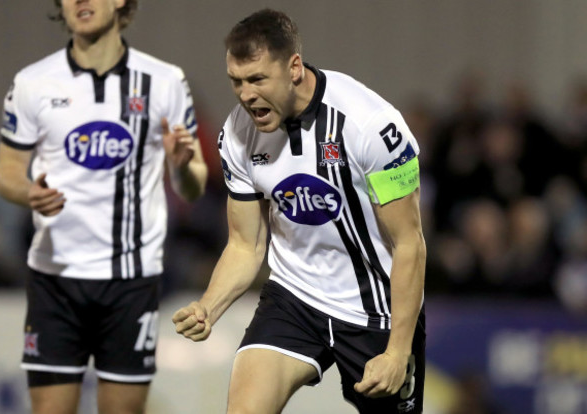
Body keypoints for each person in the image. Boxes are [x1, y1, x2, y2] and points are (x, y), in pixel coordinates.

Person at [173, 9, 426, 414]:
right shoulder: (237, 133)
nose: (245, 95)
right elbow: (245, 245)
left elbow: (410, 244)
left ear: (293, 67)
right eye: (236, 81)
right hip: (294, 298)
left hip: (374, 309)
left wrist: (397, 352)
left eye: (257, 79)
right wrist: (209, 306)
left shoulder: (371, 127)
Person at [0, 1, 207, 413]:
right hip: (55, 278)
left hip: (130, 279)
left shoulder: (164, 81)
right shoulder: (33, 83)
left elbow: (193, 187)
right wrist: (28, 194)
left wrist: (180, 167)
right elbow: (8, 174)